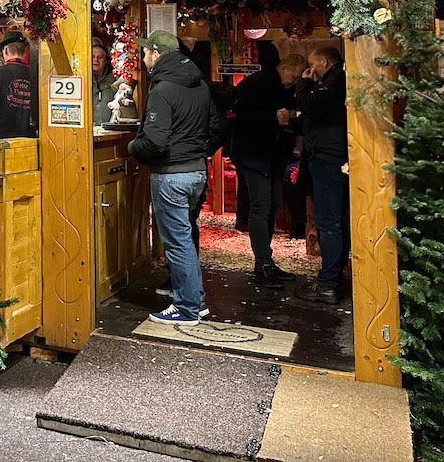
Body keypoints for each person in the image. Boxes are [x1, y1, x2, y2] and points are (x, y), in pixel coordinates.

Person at [128, 31, 219, 323]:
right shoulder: (201, 86)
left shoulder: (162, 89)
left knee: (178, 242)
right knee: (186, 238)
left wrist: (132, 146)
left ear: (156, 54)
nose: (143, 59)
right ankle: (196, 299)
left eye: (145, 54)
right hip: (197, 172)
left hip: (170, 176)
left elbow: (154, 141)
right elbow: (215, 128)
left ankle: (187, 308)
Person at [229, 53, 306, 288]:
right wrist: (272, 118)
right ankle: (263, 262)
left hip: (275, 156)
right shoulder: (256, 84)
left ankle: (266, 262)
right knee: (261, 206)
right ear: (285, 68)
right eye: (296, 74)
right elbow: (237, 117)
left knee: (271, 206)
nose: (296, 80)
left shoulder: (287, 89)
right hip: (254, 155)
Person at [294, 45, 348, 304]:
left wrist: (303, 84)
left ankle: (327, 283)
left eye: (313, 64)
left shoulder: (334, 83)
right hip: (334, 155)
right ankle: (332, 276)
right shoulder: (339, 81)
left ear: (323, 61)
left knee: (329, 222)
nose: (311, 70)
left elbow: (310, 106)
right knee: (336, 220)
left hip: (328, 157)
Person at [0, 31, 36, 138]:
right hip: (32, 141)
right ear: (25, 51)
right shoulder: (36, 76)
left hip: (1, 141)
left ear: (5, 51)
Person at [91, 40, 120, 125]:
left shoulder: (115, 79)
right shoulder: (85, 81)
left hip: (110, 130)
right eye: (92, 56)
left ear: (106, 60)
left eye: (100, 57)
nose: (95, 60)